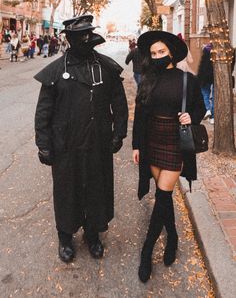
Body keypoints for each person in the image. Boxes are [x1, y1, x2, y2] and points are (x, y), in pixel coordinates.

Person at [34, 14, 128, 263]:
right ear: (70, 39)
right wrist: (43, 145)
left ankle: (92, 233)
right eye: (80, 37)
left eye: (88, 36)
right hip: (65, 146)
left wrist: (119, 133)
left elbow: (119, 103)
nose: (85, 40)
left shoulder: (106, 67)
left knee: (97, 188)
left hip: (98, 144)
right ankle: (65, 236)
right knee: (67, 190)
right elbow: (43, 111)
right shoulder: (56, 71)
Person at [132, 30, 206, 283]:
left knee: (163, 193)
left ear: (171, 52)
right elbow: (140, 116)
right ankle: (172, 236)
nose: (157, 56)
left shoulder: (188, 80)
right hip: (152, 141)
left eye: (161, 52)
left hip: (175, 142)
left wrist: (191, 117)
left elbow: (200, 107)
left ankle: (147, 250)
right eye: (153, 53)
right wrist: (136, 146)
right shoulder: (147, 80)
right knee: (164, 198)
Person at [198, 43, 214, 124]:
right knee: (215, 96)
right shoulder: (221, 50)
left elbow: (202, 65)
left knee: (205, 94)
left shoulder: (206, 50)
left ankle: (207, 110)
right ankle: (212, 117)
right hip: (215, 75)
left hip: (205, 76)